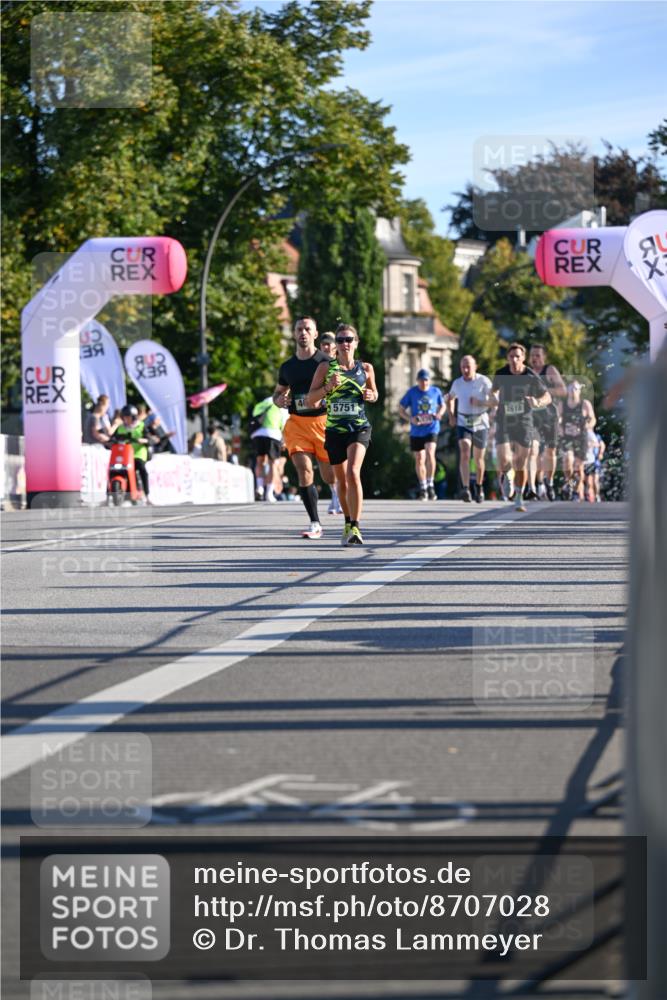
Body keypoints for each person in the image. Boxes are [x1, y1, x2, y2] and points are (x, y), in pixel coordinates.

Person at [307, 323, 378, 545]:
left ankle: (356, 526)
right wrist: (328, 387)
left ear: (356, 342)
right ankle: (347, 521)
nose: (344, 344)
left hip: (359, 427)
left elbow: (374, 393)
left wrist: (371, 395)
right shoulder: (325, 369)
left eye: (348, 339)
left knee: (353, 473)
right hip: (335, 430)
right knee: (341, 481)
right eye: (340, 340)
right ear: (335, 345)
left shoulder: (365, 368)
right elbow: (311, 400)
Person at [273, 317, 336, 539]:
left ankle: (336, 492)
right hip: (297, 424)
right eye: (299, 329)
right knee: (304, 469)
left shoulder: (326, 362)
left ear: (315, 334)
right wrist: (279, 400)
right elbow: (277, 393)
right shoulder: (287, 367)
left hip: (324, 423)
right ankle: (315, 522)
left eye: (307, 329)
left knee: (329, 475)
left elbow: (340, 390)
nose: (303, 333)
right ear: (294, 333)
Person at [490, 344, 552, 513]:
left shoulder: (530, 376)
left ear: (523, 358)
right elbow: (493, 391)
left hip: (524, 422)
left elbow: (547, 396)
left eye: (518, 356)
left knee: (521, 462)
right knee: (503, 458)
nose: (515, 359)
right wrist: (493, 398)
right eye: (512, 356)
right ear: (508, 358)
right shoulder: (501, 374)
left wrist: (538, 402)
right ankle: (507, 474)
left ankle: (518, 497)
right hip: (504, 420)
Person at [446, 355, 492, 503]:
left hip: (480, 422)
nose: (465, 370)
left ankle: (479, 487)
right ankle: (465, 488)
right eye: (463, 367)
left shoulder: (483, 381)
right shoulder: (457, 383)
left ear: (475, 367)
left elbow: (495, 401)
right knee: (465, 451)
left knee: (478, 458)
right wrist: (451, 416)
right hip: (463, 421)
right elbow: (450, 398)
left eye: (468, 367)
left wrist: (480, 402)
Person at [527, 344, 566, 501]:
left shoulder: (549, 370)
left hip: (550, 416)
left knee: (549, 452)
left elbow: (563, 391)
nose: (534, 358)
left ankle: (549, 482)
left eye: (537, 355)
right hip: (532, 417)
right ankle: (538, 482)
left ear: (544, 357)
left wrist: (545, 393)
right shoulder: (526, 373)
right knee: (534, 450)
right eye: (532, 355)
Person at [399, 369, 446, 501]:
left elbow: (443, 405)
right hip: (416, 430)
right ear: (417, 381)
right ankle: (423, 487)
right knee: (419, 458)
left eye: (426, 380)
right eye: (421, 380)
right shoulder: (412, 392)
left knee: (430, 452)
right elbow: (401, 408)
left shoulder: (435, 391)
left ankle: (431, 484)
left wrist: (440, 414)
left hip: (432, 428)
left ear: (429, 381)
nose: (423, 383)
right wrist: (410, 419)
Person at [317, 333, 344, 514]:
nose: (326, 348)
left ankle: (340, 497)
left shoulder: (342, 365)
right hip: (319, 418)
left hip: (340, 418)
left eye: (329, 345)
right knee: (326, 462)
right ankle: (335, 493)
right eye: (323, 345)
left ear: (335, 347)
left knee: (341, 460)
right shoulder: (317, 366)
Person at [560, 381, 596, 501]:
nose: (573, 391)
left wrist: (587, 425)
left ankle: (574, 490)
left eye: (575, 389)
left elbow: (593, 419)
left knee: (579, 468)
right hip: (568, 438)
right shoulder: (563, 404)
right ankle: (569, 484)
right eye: (570, 389)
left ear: (580, 390)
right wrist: (559, 427)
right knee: (568, 460)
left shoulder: (585, 404)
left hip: (581, 439)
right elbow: (557, 419)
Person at [250, 396, 287, 502]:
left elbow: (254, 414)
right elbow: (284, 425)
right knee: (273, 464)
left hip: (257, 433)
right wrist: (284, 441)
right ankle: (269, 493)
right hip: (273, 433)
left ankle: (260, 487)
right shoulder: (282, 404)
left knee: (260, 461)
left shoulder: (264, 402)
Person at [111, 404, 151, 503]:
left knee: (142, 469)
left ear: (133, 417)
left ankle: (147, 495)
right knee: (112, 470)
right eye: (124, 417)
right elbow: (113, 438)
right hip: (124, 455)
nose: (126, 419)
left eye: (128, 417)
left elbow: (150, 439)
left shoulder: (141, 425)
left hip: (138, 454)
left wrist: (143, 440)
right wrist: (110, 441)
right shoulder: (120, 427)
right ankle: (109, 494)